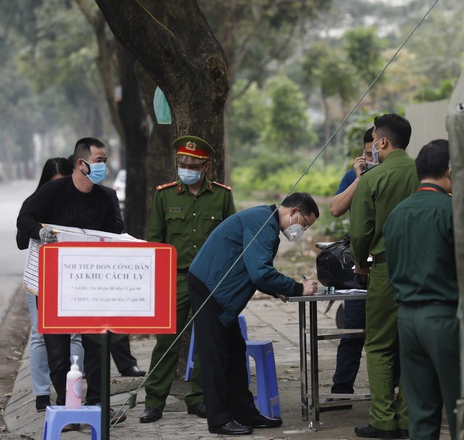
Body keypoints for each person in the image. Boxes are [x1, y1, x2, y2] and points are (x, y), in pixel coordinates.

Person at [187, 192, 320, 436]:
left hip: (220, 291)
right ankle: (218, 420)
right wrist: (298, 287)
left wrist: (276, 291)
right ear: (293, 212)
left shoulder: (265, 221)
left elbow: (254, 269)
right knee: (215, 358)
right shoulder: (262, 222)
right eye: (305, 224)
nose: (302, 230)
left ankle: (244, 412)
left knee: (236, 353)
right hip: (210, 288)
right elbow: (259, 272)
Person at [16, 137, 126, 426]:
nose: (104, 165)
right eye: (100, 160)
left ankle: (98, 405)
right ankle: (68, 406)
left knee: (97, 346)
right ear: (82, 163)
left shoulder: (106, 198)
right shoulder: (53, 191)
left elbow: (116, 232)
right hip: (54, 285)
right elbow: (25, 219)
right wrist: (40, 232)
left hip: (92, 286)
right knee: (57, 350)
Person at [139, 135, 236, 424]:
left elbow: (231, 239)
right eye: (182, 164)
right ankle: (154, 401)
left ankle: (200, 399)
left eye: (193, 164)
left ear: (206, 166)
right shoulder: (165, 195)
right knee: (166, 343)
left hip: (210, 281)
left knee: (207, 341)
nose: (187, 168)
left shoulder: (222, 196)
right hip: (176, 280)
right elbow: (155, 242)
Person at [349, 113, 420, 439]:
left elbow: (360, 233)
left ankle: (382, 420)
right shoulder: (423, 172)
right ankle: (407, 418)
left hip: (385, 268)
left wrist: (361, 265)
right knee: (413, 346)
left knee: (378, 346)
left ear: (382, 141)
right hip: (423, 270)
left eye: (374, 139)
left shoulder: (373, 178)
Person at [384, 140, 459, 440]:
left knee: (421, 412)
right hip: (444, 318)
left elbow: (391, 271)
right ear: (451, 171)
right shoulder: (452, 210)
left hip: (407, 320)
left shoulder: (397, 214)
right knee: (459, 407)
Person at [65, 154, 146, 379]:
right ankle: (79, 373)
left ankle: (126, 364)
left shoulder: (108, 195)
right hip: (77, 270)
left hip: (105, 266)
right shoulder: (65, 197)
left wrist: (97, 232)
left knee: (114, 317)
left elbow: (118, 225)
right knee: (84, 325)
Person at [15, 157, 85, 412]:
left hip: (74, 279)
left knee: (74, 334)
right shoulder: (34, 204)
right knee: (40, 335)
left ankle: (72, 390)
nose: (58, 189)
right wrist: (40, 230)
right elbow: (21, 240)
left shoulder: (80, 203)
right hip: (40, 280)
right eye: (53, 184)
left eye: (63, 183)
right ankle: (42, 394)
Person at [323, 127, 374, 411]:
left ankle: (393, 392)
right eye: (367, 155)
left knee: (392, 335)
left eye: (375, 155)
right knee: (352, 331)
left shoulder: (399, 175)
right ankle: (341, 391)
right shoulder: (353, 175)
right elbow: (335, 209)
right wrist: (358, 178)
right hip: (360, 266)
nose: (371, 159)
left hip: (389, 265)